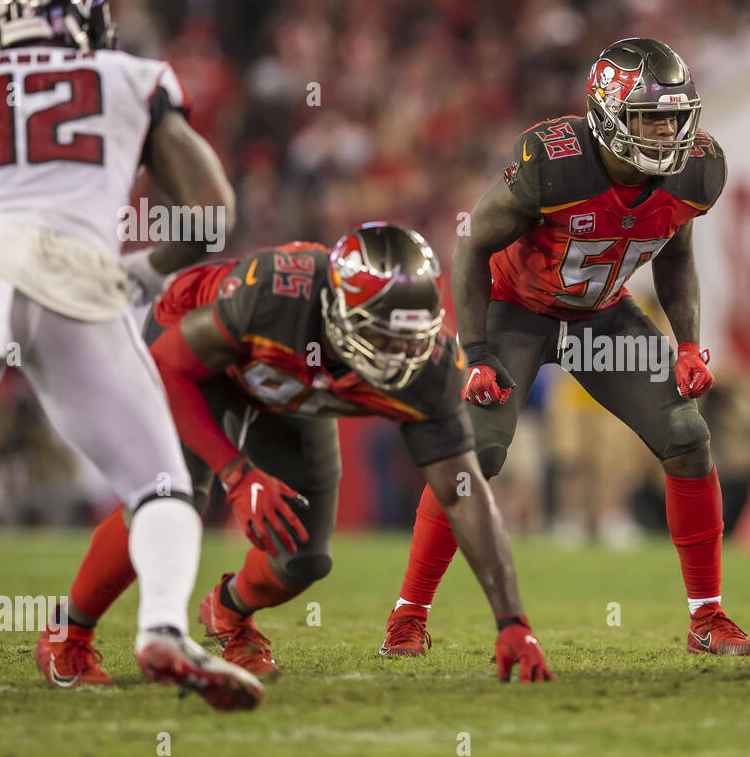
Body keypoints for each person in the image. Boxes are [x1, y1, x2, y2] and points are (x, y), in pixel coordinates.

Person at [37, 224, 552, 686]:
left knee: (302, 558)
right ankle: (69, 634)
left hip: (292, 389)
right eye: (383, 335)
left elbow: (463, 495)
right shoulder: (278, 295)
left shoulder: (429, 365)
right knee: (174, 498)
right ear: (339, 311)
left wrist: (512, 621)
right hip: (198, 361)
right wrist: (237, 476)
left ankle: (230, 614)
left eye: (410, 337)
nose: (399, 355)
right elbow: (170, 369)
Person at [382, 38, 750, 657]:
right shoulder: (553, 163)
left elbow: (677, 254)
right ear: (609, 116)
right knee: (480, 450)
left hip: (600, 317)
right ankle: (409, 614)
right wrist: (475, 351)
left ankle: (708, 617)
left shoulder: (696, 169)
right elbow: (472, 245)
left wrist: (689, 344)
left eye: (674, 116)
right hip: (517, 310)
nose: (667, 132)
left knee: (686, 435)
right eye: (649, 118)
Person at [0, 0, 260, 710]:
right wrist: (143, 273)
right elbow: (211, 213)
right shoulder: (130, 76)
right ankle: (161, 624)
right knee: (161, 485)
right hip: (74, 275)